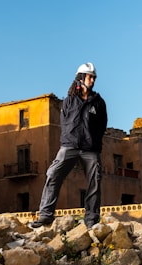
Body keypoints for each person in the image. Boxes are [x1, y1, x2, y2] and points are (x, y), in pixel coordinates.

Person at [31, 62, 107, 229]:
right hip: (69, 146)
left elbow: (102, 126)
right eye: (90, 77)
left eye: (94, 78)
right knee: (53, 175)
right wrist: (69, 140)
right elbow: (65, 123)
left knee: (95, 180)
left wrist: (94, 142)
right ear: (81, 78)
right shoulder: (69, 101)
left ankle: (91, 219)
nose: (92, 80)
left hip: (90, 149)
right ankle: (45, 215)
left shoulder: (98, 102)